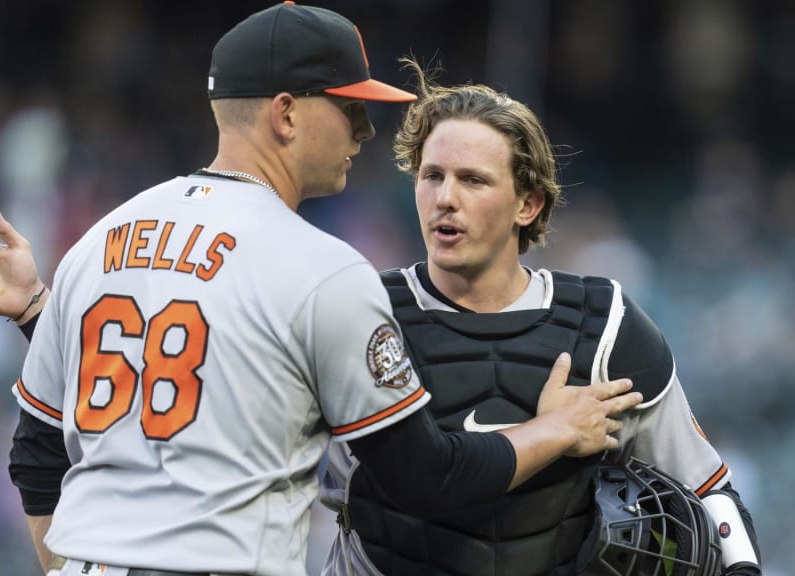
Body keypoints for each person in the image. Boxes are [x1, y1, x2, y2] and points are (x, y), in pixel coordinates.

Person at [0, 4, 643, 576]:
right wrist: (554, 429)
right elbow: (425, 478)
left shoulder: (99, 242)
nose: (365, 131)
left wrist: (38, 313)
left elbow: (39, 453)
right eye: (349, 108)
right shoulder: (321, 269)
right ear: (285, 114)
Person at [314, 59, 762, 576]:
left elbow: (709, 491)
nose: (445, 199)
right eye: (432, 176)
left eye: (473, 180)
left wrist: (742, 569)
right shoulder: (363, 313)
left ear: (527, 204)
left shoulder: (603, 326)